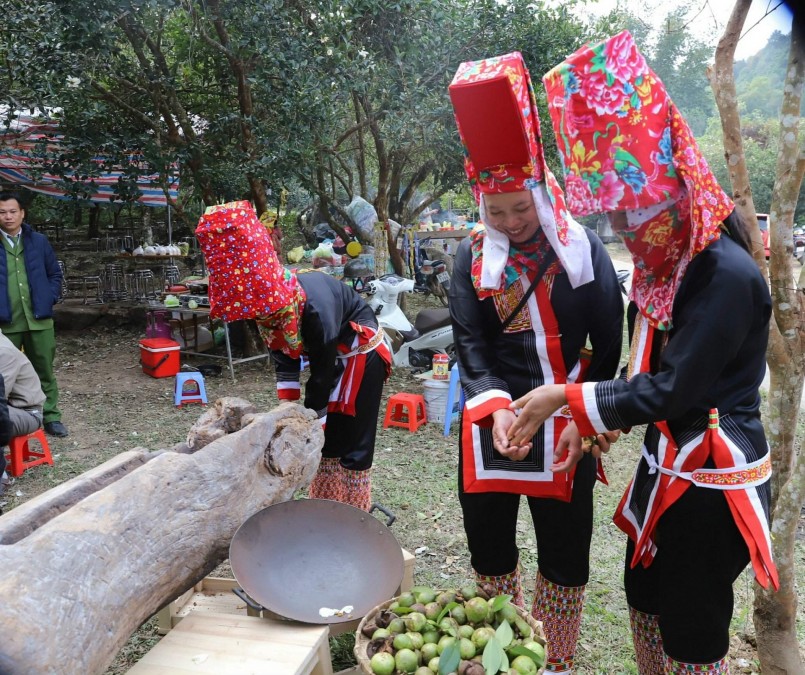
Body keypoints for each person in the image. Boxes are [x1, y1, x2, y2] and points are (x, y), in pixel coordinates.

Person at [508, 31, 778, 674]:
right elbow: (644, 376)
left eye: (633, 214)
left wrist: (564, 398)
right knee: (646, 606)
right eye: (614, 219)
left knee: (690, 632)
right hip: (668, 468)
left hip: (711, 489)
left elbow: (676, 390)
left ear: (676, 190)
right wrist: (591, 423)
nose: (625, 232)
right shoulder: (669, 268)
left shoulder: (726, 277)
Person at [447, 53, 624, 674]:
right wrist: (497, 415)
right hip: (494, 419)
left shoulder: (584, 253)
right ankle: (496, 656)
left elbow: (609, 343)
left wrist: (589, 418)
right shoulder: (470, 261)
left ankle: (555, 661)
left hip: (568, 415)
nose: (511, 223)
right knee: (491, 548)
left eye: (521, 208)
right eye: (496, 212)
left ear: (541, 195)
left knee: (566, 553)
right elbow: (473, 348)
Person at [196, 201, 391, 511]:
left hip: (361, 353)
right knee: (329, 447)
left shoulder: (314, 310)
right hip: (331, 359)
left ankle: (354, 514)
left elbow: (321, 376)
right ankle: (325, 509)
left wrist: (310, 426)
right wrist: (286, 415)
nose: (269, 324)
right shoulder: (275, 311)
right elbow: (284, 360)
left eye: (273, 318)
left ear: (284, 307)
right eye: (265, 320)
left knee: (352, 440)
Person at [0, 191, 66, 438]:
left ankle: (51, 416)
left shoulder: (38, 241)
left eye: (12, 211)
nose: (8, 216)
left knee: (44, 369)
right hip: (6, 322)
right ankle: (8, 420)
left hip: (39, 318)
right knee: (4, 374)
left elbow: (54, 274)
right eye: (2, 212)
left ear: (22, 213)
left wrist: (49, 297)